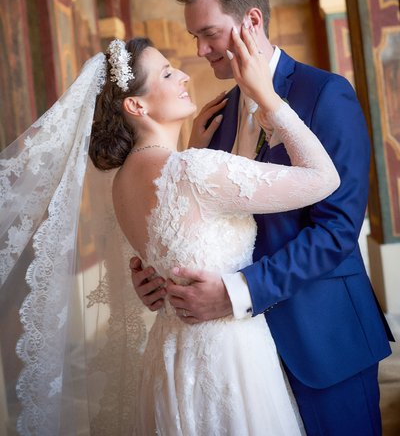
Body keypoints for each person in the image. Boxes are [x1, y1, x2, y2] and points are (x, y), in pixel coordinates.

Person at [0, 31, 339, 435]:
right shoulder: (191, 170)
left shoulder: (123, 181)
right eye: (166, 73)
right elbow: (323, 178)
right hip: (228, 357)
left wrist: (204, 149)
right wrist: (269, 99)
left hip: (171, 355)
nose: (183, 75)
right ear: (136, 105)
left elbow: (195, 225)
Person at [130, 0, 394, 436]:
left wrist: (238, 294)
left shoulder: (325, 94)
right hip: (241, 359)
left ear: (251, 20)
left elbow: (336, 229)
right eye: (194, 37)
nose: (201, 50)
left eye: (209, 33)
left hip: (323, 338)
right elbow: (203, 222)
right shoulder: (214, 114)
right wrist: (160, 279)